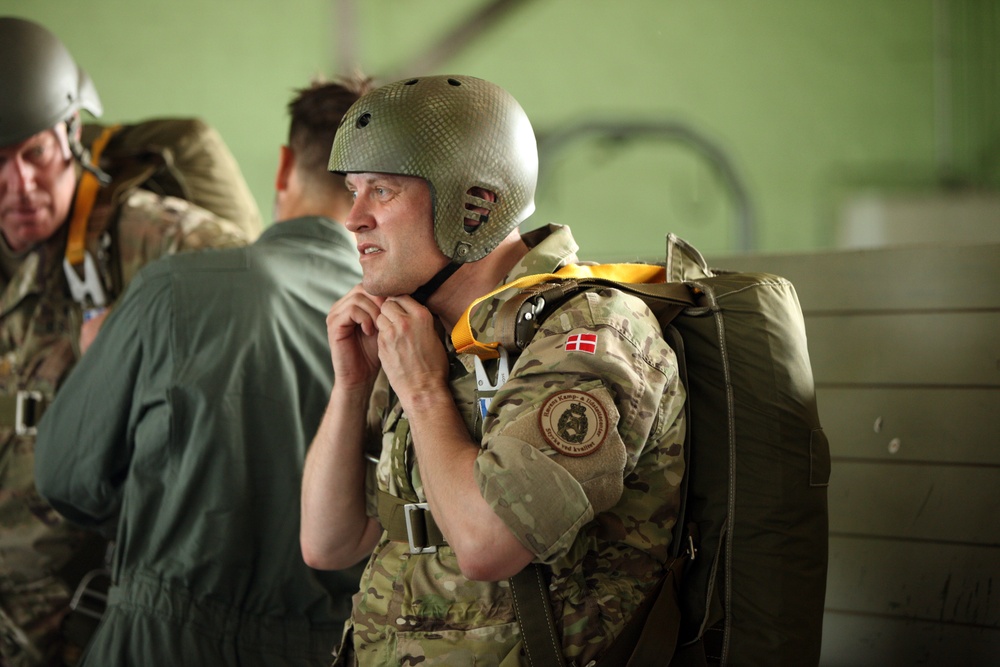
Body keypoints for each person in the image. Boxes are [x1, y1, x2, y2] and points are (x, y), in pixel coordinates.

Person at [299, 75, 687, 665]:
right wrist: (353, 385)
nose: (353, 218)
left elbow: (488, 545)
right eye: (352, 190)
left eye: (381, 190)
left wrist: (425, 393)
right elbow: (329, 543)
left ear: (474, 204)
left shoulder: (589, 332)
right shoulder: (425, 335)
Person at [33, 78, 371, 666]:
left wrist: (161, 512)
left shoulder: (170, 289)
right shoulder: (406, 330)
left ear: (285, 165)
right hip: (328, 649)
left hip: (157, 638)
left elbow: (65, 477)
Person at [0, 16, 255, 666]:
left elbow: (279, 295)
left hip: (93, 628)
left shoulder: (144, 238)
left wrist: (145, 359)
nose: (20, 185)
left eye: (34, 154)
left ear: (70, 134)